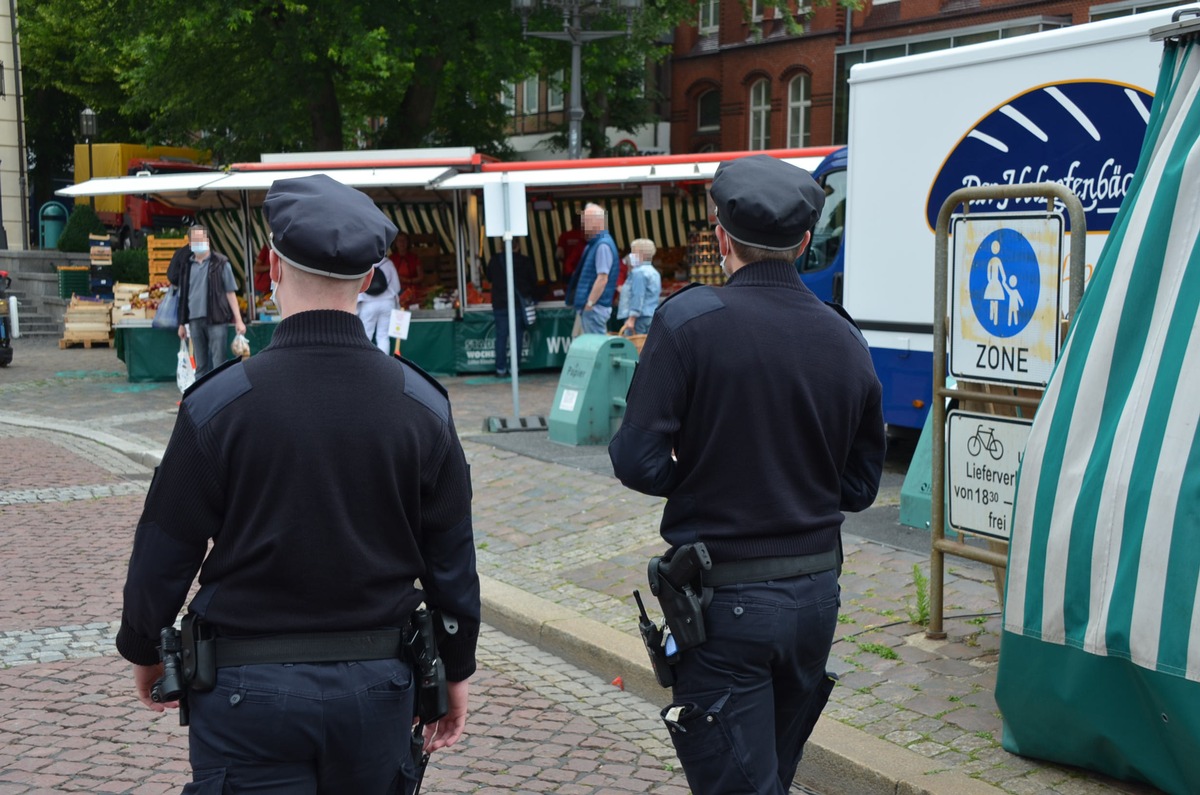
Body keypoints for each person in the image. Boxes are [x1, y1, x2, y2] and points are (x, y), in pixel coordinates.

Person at [116, 173, 479, 793]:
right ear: (368, 281)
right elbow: (452, 560)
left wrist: (145, 647)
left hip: (245, 694)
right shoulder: (421, 405)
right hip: (376, 684)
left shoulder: (219, 405)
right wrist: (456, 667)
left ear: (273, 269)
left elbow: (165, 545)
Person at [609, 154, 886, 795]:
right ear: (807, 242)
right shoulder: (845, 338)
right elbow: (860, 487)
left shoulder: (689, 321)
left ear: (719, 235)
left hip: (726, 601)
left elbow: (636, 460)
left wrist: (711, 474)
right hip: (815, 594)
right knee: (769, 776)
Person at [176, 225, 245, 378]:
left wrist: (238, 320)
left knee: (219, 363)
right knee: (200, 365)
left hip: (216, 319)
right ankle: (201, 398)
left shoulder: (221, 263)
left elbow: (230, 292)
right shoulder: (187, 266)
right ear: (190, 243)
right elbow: (183, 296)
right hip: (194, 320)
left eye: (202, 238)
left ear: (207, 240)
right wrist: (181, 323)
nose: (199, 242)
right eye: (195, 240)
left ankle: (219, 397)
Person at [486, 237, 536, 378]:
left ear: (501, 246)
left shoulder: (494, 260)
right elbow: (533, 281)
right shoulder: (525, 261)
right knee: (517, 337)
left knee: (501, 336)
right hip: (518, 304)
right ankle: (515, 368)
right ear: (518, 246)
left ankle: (500, 369)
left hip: (499, 304)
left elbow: (489, 277)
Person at [573, 203, 618, 335]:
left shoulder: (602, 244)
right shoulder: (599, 243)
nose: (583, 225)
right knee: (593, 349)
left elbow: (602, 278)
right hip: (594, 308)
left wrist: (590, 303)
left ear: (598, 222)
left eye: (586, 220)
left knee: (596, 349)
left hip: (595, 308)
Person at [617, 238, 662, 336]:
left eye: (633, 252)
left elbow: (638, 296)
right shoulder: (654, 272)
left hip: (639, 318)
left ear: (641, 254)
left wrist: (631, 319)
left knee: (634, 348)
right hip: (650, 316)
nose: (631, 255)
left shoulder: (639, 273)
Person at [357, 254, 400, 354]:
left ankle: (364, 363)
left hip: (368, 304)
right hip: (387, 303)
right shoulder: (388, 263)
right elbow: (397, 287)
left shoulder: (364, 263)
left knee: (365, 335)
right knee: (383, 336)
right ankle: (382, 366)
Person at [556, 215, 586, 283]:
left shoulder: (565, 236)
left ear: (571, 223)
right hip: (584, 271)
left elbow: (559, 255)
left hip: (569, 272)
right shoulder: (586, 236)